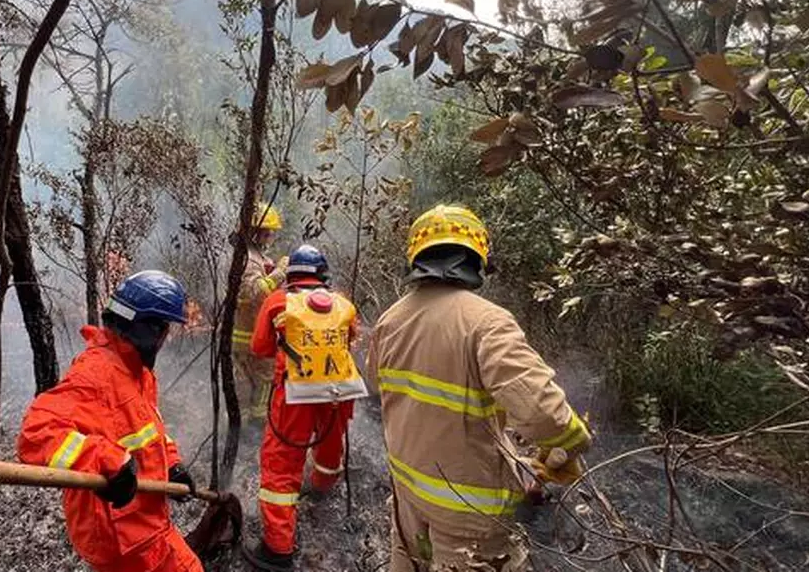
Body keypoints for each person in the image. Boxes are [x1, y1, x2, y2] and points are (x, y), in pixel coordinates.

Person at [365, 205, 593, 572]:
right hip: (469, 514)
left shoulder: (389, 320)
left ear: (417, 257)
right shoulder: (487, 322)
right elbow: (543, 414)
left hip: (408, 496)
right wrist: (572, 440)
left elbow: (379, 388)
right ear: (475, 259)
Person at [17, 270, 202, 572]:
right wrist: (103, 459)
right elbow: (34, 434)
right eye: (164, 329)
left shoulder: (135, 373)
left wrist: (172, 465)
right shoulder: (95, 375)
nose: (164, 339)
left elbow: (145, 433)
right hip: (124, 538)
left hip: (144, 526)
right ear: (149, 329)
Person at [244, 245, 367, 571]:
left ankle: (277, 548)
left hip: (296, 395)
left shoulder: (276, 301)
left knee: (281, 466)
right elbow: (351, 340)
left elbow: (259, 347)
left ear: (291, 274)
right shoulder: (344, 303)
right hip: (341, 392)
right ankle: (322, 487)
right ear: (323, 275)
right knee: (330, 445)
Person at [233, 202, 288, 422]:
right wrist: (280, 273)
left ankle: (252, 424)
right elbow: (254, 293)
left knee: (256, 381)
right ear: (256, 232)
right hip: (248, 335)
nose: (270, 237)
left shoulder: (256, 258)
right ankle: (249, 426)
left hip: (256, 332)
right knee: (253, 381)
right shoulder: (248, 259)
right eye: (267, 233)